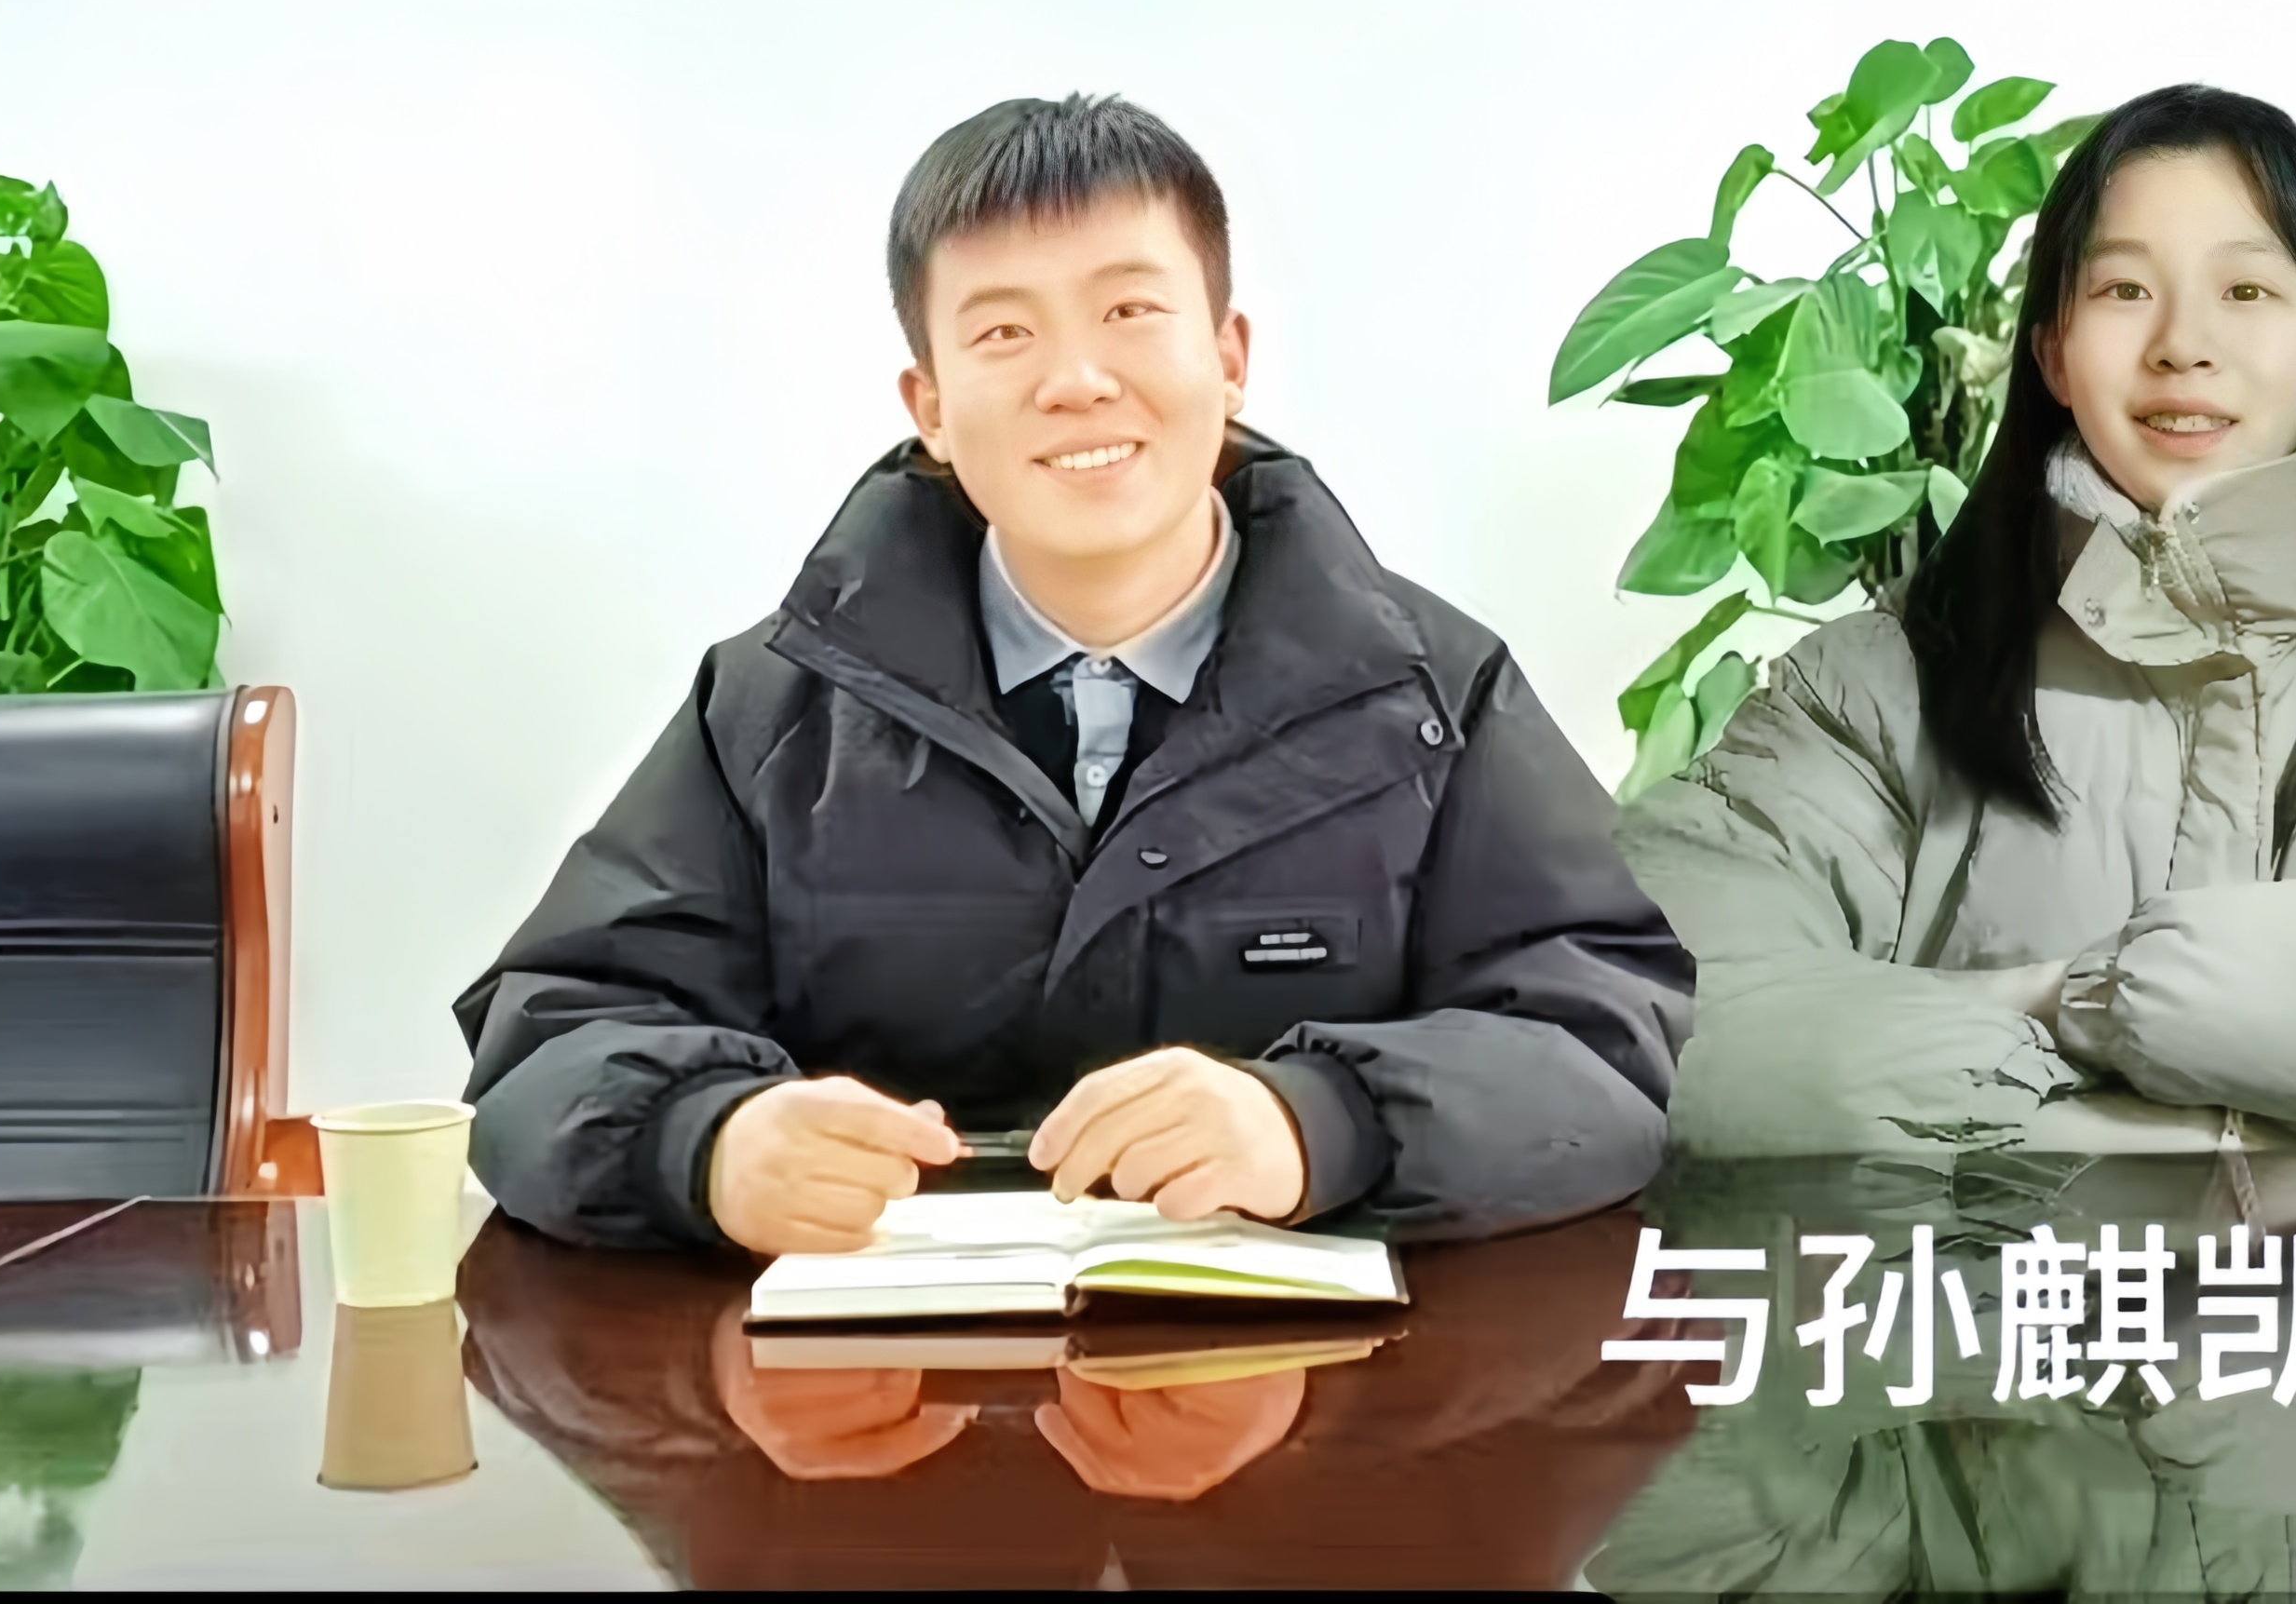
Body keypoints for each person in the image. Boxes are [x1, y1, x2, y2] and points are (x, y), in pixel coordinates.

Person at [458, 95, 1693, 1254]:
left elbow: (1606, 1043)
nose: (1077, 380)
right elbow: (553, 1035)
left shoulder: (1431, 697)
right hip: (881, 1379)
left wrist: (1323, 1119)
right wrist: (703, 1142)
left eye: (1130, 311)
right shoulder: (776, 709)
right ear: (930, 406)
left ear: (1230, 356)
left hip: (1324, 1379)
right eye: (1004, 332)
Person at [1620, 86, 2296, 1160]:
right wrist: (2067, 1023)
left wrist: (2099, 998)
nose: (2183, 344)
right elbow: (1641, 1009)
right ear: (2052, 353)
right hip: (1983, 1297)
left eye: (2246, 289)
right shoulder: (1872, 691)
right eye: (2124, 289)